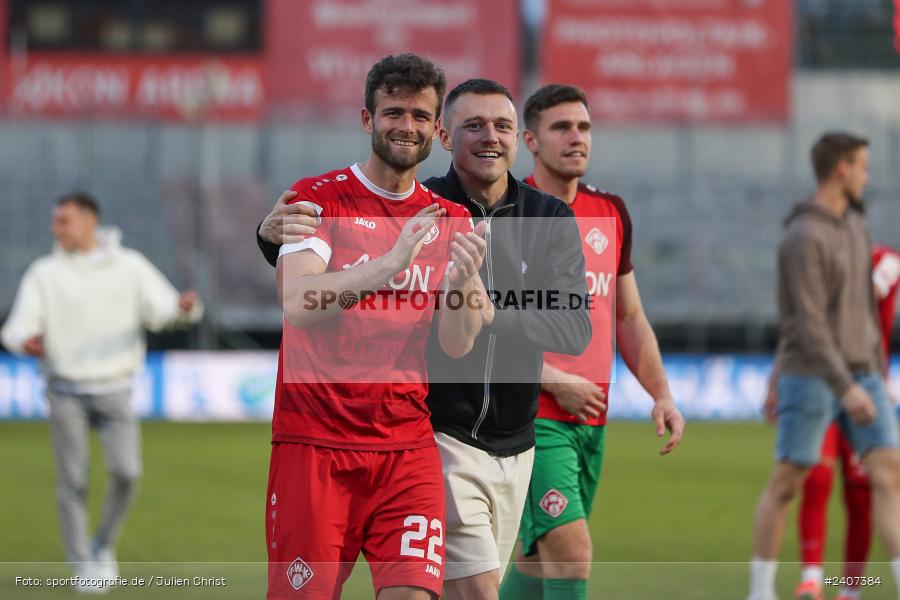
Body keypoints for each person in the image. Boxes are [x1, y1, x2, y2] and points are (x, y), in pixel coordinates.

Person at [258, 78, 602, 600]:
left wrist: (477, 301)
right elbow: (300, 298)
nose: (490, 137)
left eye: (502, 126)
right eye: (474, 126)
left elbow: (563, 327)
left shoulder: (530, 217)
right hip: (428, 436)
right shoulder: (381, 202)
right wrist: (270, 237)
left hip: (495, 440)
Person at [265, 53, 490, 600]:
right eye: (393, 112)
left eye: (418, 115)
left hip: (405, 449)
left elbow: (457, 345)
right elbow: (298, 301)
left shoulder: (452, 219)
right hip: (315, 445)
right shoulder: (318, 199)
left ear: (436, 129)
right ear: (367, 120)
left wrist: (463, 285)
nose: (405, 126)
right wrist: (391, 263)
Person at [494, 83, 684, 600]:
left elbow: (628, 315)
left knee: (538, 563)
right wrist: (557, 381)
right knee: (572, 551)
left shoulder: (610, 211)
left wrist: (661, 393)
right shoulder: (510, 214)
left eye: (584, 127)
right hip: (531, 412)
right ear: (530, 140)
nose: (577, 138)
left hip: (590, 417)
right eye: (561, 128)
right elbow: (485, 325)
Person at [1, 192, 203, 593]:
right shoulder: (45, 272)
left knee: (128, 473)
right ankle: (82, 564)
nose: (56, 229)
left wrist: (183, 309)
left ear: (89, 221)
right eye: (56, 221)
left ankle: (102, 545)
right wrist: (26, 342)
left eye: (64, 221)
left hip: (115, 389)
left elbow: (163, 310)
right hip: (65, 391)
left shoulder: (129, 266)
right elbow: (16, 328)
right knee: (72, 482)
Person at [747, 133, 900, 600]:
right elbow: (808, 325)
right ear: (841, 170)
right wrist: (845, 386)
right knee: (788, 483)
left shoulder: (855, 225)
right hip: (811, 376)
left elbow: (862, 312)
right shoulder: (803, 236)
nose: (867, 176)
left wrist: (873, 376)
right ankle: (761, 591)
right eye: (862, 167)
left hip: (862, 374)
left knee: (890, 472)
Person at [763, 244, 900, 600]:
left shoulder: (886, 261)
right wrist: (776, 378)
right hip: (817, 384)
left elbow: (863, 298)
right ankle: (811, 579)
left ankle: (850, 589)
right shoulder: (817, 261)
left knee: (862, 493)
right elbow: (797, 323)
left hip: (864, 388)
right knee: (815, 478)